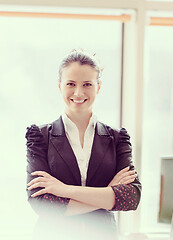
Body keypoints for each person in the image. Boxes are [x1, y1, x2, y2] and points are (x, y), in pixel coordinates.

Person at [25, 50, 142, 240]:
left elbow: (131, 197)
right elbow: (41, 202)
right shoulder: (39, 137)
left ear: (98, 87)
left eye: (87, 84)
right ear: (59, 86)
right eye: (71, 84)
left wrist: (64, 190)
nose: (78, 93)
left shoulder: (118, 138)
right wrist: (107, 195)